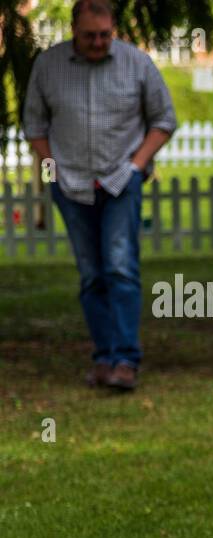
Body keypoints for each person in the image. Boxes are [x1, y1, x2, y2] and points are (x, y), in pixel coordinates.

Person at [22, 0, 176, 392]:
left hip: (121, 181)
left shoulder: (137, 63)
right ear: (74, 30)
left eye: (105, 35)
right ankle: (104, 356)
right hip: (70, 185)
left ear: (114, 29)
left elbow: (164, 119)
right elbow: (35, 124)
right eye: (89, 36)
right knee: (91, 274)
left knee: (121, 267)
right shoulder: (48, 66)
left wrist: (138, 165)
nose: (97, 42)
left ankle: (126, 360)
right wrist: (53, 171)